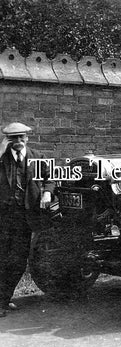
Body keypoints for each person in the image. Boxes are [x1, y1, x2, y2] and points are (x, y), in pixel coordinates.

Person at [0, 123, 54, 317]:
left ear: (27, 138)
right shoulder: (2, 158)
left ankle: (3, 299)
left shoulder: (37, 157)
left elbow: (51, 178)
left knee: (18, 261)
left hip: (25, 218)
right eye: (13, 138)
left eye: (21, 137)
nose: (18, 142)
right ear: (7, 140)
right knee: (3, 258)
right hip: (4, 216)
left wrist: (47, 193)